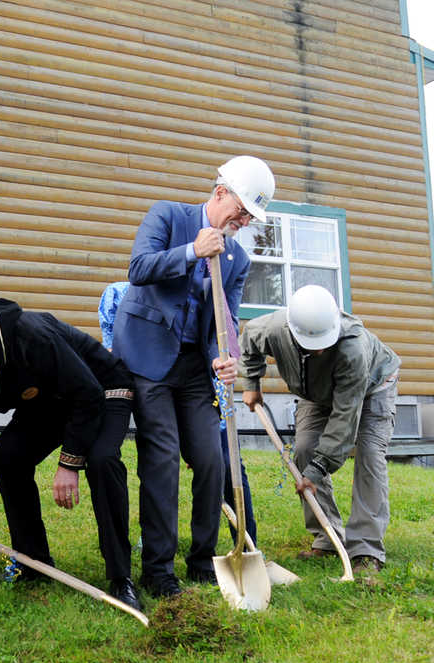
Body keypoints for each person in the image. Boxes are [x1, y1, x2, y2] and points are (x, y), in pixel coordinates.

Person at [112, 156, 274, 597]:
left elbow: (228, 317)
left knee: (211, 460)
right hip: (148, 358)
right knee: (162, 461)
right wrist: (192, 252)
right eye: (240, 210)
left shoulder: (238, 258)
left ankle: (204, 561)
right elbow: (138, 269)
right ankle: (158, 569)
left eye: (249, 217)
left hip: (194, 369)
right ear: (220, 193)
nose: (241, 221)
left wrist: (228, 357)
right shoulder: (167, 215)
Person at [0, 299, 142, 610]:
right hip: (53, 400)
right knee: (8, 456)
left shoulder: (30, 336)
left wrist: (69, 462)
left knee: (101, 460)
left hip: (101, 387)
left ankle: (120, 577)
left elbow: (86, 394)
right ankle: (32, 561)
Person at [239, 285, 400, 576]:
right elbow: (249, 339)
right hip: (316, 393)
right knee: (303, 450)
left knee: (369, 458)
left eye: (326, 341)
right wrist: (251, 384)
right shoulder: (274, 328)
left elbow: (344, 419)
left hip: (373, 388)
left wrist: (317, 471)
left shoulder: (353, 349)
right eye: (314, 345)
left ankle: (366, 548)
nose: (322, 348)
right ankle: (328, 536)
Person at [99, 282, 257, 545]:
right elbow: (114, 350)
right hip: (152, 389)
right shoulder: (117, 294)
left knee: (225, 463)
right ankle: (154, 537)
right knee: (159, 464)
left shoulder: (205, 290)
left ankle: (246, 541)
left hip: (202, 389)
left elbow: (225, 339)